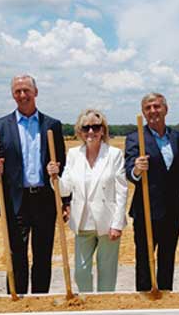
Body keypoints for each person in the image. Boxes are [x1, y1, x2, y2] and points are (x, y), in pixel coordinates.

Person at [0, 75, 66, 294]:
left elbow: (62, 163)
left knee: (42, 255)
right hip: (16, 199)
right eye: (17, 91)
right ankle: (18, 298)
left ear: (36, 92)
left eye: (26, 91)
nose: (22, 95)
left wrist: (64, 198)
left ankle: (40, 299)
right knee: (16, 253)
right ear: (13, 94)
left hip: (44, 198)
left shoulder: (51, 125)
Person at [47, 110, 127, 292]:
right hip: (82, 221)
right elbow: (65, 189)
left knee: (107, 273)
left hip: (108, 223)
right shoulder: (74, 154)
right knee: (81, 273)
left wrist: (117, 224)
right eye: (86, 127)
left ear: (103, 130)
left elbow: (122, 191)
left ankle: (105, 310)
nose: (91, 131)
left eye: (96, 127)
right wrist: (54, 178)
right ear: (80, 131)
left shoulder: (114, 154)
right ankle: (87, 305)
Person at [124, 93, 179, 291]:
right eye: (148, 108)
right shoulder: (136, 138)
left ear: (166, 109)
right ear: (143, 112)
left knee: (168, 258)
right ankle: (145, 299)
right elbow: (129, 171)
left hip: (173, 210)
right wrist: (137, 169)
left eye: (157, 106)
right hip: (146, 210)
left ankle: (166, 297)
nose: (153, 111)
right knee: (144, 258)